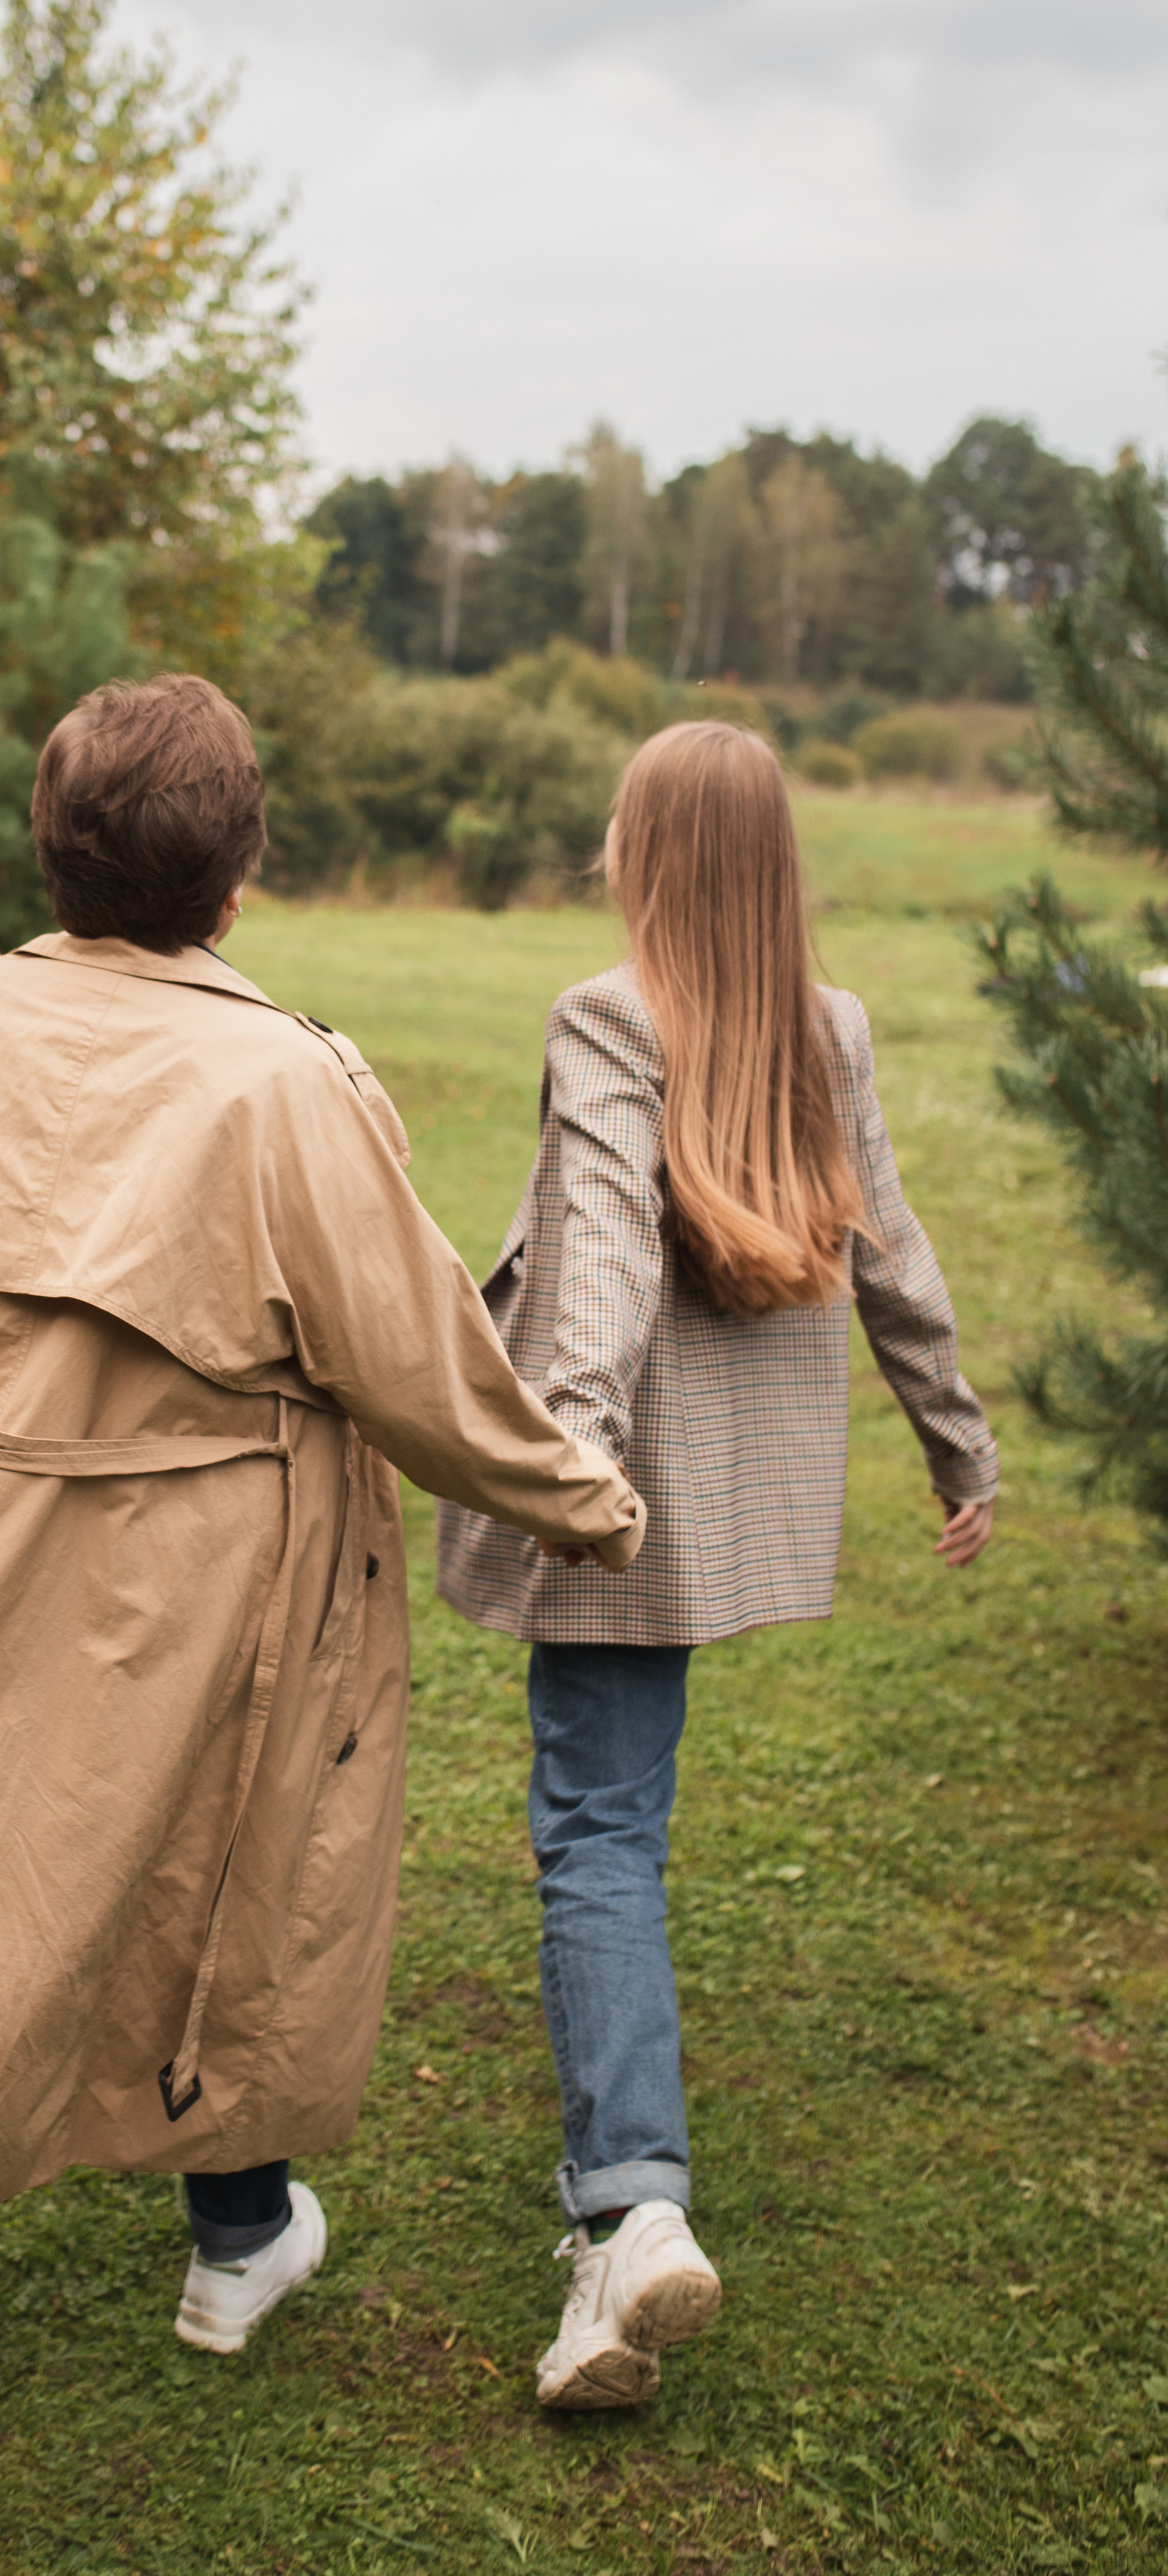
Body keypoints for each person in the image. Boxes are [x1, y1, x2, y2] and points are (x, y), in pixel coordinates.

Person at [0, 674, 645, 2576]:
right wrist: (588, 1499)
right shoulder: (282, 1082)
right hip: (171, 1603)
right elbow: (422, 1368)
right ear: (237, 871)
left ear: (51, 846)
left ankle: (234, 2236)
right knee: (99, 1920)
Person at [437, 719, 998, 2414]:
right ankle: (627, 2212)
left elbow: (599, 1252)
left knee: (596, 1833)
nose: (605, 838)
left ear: (651, 855)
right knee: (623, 1818)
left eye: (619, 819)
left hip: (628, 1500)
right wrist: (955, 1441)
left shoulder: (610, 1014)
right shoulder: (823, 1021)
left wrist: (575, 1454)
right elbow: (890, 1255)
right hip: (717, 1499)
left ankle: (629, 2211)